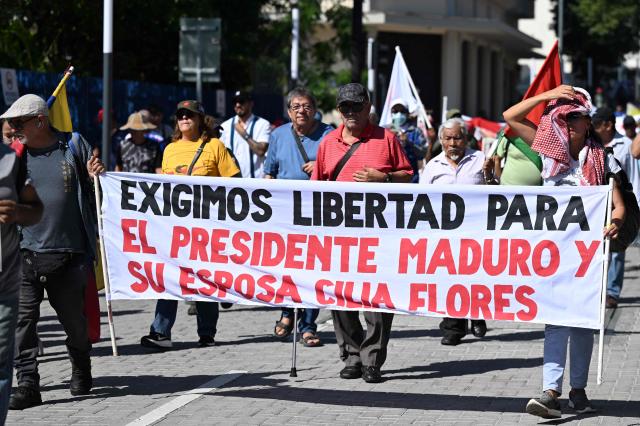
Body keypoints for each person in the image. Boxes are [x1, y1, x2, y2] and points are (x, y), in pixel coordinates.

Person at [503, 85, 625, 419]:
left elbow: (618, 206)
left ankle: (578, 391)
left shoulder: (603, 159)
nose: (571, 123)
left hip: (587, 255)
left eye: (577, 117)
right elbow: (510, 116)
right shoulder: (548, 152)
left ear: (588, 122)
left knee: (582, 323)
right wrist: (548, 95)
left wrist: (614, 222)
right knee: (556, 320)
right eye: (565, 117)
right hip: (553, 254)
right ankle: (550, 393)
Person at [1, 94, 105, 410]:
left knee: (75, 323)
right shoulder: (13, 156)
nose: (12, 128)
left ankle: (80, 362)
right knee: (22, 323)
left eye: (18, 123)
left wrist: (94, 176)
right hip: (24, 254)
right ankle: (28, 385)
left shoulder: (73, 146)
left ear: (40, 121)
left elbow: (97, 191)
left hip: (70, 255)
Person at [312, 83, 413, 383]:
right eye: (345, 107)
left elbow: (407, 175)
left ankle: (372, 359)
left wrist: (384, 177)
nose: (351, 113)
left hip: (378, 236)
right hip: (338, 236)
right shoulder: (328, 143)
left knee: (377, 301)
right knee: (341, 299)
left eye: (357, 106)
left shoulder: (387, 138)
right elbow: (315, 189)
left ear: (369, 106)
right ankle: (352, 355)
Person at [140, 100, 240, 350]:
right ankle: (160, 332)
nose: (184, 118)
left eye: (190, 115)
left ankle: (206, 333)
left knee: (203, 277)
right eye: (180, 115)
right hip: (175, 227)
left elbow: (236, 182)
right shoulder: (170, 149)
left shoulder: (215, 146)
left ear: (200, 119)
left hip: (207, 227)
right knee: (169, 276)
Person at [264, 87, 332, 348]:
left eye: (306, 106)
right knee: (285, 268)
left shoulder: (329, 135)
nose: (301, 111)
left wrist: (321, 165)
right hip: (283, 214)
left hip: (317, 212)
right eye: (296, 107)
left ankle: (308, 325)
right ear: (289, 112)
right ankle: (286, 313)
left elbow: (340, 166)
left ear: (315, 110)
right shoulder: (279, 135)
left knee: (312, 270)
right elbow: (270, 172)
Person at [419, 118, 489, 346]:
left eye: (457, 137)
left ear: (466, 139)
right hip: (445, 235)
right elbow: (422, 200)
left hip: (476, 233)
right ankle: (452, 328)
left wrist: (492, 175)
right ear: (441, 140)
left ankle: (478, 314)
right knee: (450, 281)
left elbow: (497, 191)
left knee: (476, 278)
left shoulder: (480, 160)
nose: (452, 143)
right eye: (447, 138)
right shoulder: (433, 166)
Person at [0, 138, 43, 422]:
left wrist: (17, 213)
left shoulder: (9, 160)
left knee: (2, 365)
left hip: (4, 281)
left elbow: (36, 209)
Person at [592, 107, 639, 309]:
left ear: (608, 125)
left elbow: (634, 176)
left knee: (617, 250)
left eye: (597, 125)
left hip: (622, 203)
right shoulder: (593, 145)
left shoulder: (625, 145)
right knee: (601, 251)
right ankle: (598, 290)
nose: (594, 129)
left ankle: (612, 292)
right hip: (600, 205)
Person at [220, 91, 271, 179]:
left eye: (241, 101)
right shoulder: (225, 126)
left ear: (251, 104)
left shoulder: (263, 124)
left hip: (256, 183)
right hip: (232, 183)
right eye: (235, 102)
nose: (237, 105)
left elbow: (261, 151)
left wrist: (244, 134)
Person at [387, 98, 428, 182]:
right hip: (390, 178)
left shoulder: (415, 131)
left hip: (411, 179)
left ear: (407, 113)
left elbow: (423, 153)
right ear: (391, 114)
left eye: (402, 111)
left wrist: (409, 143)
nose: (398, 114)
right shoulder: (385, 131)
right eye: (395, 111)